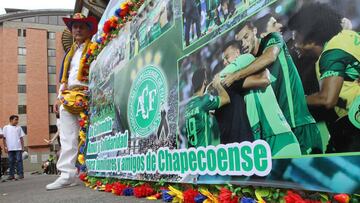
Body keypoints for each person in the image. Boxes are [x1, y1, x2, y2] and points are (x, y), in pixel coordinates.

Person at [223, 22, 322, 154]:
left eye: (246, 37)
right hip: (280, 130)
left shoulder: (272, 39)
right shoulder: (249, 62)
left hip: (299, 123)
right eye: (240, 42)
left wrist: (235, 76)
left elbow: (270, 57)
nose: (244, 43)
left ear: (255, 31)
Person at [288, 3, 360, 152]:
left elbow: (327, 99)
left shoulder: (331, 53)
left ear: (311, 39)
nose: (294, 44)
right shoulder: (347, 35)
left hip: (353, 127)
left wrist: (292, 101)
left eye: (296, 38)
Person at [221, 41, 301, 157]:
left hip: (277, 138)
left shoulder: (245, 58)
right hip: (269, 140)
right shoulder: (243, 80)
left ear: (237, 53)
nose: (224, 62)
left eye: (227, 57)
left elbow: (220, 78)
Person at [46, 13, 98, 190]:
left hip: (91, 95)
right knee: (67, 137)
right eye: (74, 26)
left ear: (89, 29)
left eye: (81, 26)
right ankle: (67, 175)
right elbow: (64, 77)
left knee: (93, 134)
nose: (77, 29)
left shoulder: (96, 47)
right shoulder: (69, 53)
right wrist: (59, 97)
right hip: (68, 97)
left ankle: (95, 170)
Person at [184, 68, 230, 147]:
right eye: (206, 78)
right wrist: (217, 84)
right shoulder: (205, 99)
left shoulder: (188, 105)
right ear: (205, 81)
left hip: (192, 153)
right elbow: (226, 99)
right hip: (204, 153)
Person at [2, 115, 25, 180]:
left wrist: (23, 147)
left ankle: (20, 174)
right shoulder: (6, 127)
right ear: (11, 120)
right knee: (11, 161)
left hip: (18, 147)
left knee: (19, 161)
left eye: (17, 119)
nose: (17, 121)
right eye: (16, 119)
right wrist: (5, 147)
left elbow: (21, 138)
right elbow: (4, 138)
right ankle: (11, 175)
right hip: (10, 148)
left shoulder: (19, 128)